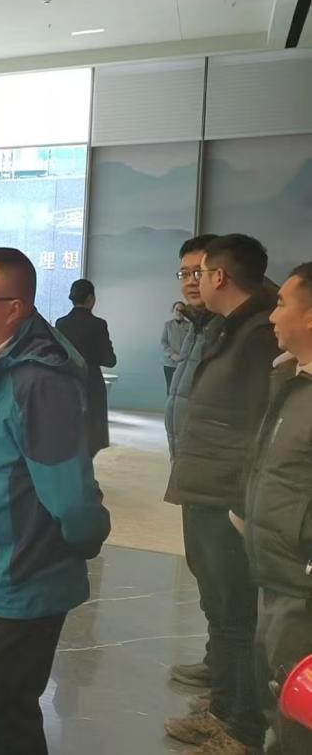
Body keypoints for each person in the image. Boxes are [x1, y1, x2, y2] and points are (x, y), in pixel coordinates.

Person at [0, 247, 110, 755]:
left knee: (6, 721)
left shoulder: (39, 381)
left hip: (19, 582)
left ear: (14, 309)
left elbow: (73, 499)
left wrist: (81, 542)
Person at [164, 234, 279, 754]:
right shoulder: (223, 327)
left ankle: (239, 726)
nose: (192, 282)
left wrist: (239, 502)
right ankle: (223, 704)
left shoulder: (255, 335)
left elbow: (258, 427)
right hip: (203, 482)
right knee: (219, 604)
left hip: (225, 493)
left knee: (236, 613)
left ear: (219, 276)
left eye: (199, 272)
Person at [243, 262, 312, 755]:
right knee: (280, 697)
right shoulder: (293, 380)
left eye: (283, 303)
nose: (272, 315)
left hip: (301, 583)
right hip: (276, 570)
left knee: (299, 711)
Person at [164, 234, 220, 691]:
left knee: (227, 581)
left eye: (198, 272)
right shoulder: (199, 326)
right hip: (192, 468)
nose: (190, 281)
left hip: (218, 479)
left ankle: (232, 693)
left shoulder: (233, 330)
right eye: (184, 273)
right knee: (207, 573)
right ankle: (220, 663)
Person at [55, 278, 117, 456]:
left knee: (68, 432)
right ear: (90, 298)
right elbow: (110, 360)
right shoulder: (99, 324)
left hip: (66, 382)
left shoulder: (61, 323)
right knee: (92, 435)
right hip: (91, 383)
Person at [162, 300, 190, 390]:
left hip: (185, 363)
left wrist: (184, 357)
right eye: (177, 309)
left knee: (183, 390)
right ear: (173, 310)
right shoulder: (168, 325)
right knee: (171, 388)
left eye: (182, 310)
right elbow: (163, 342)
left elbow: (192, 343)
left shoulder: (190, 326)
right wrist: (172, 354)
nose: (179, 312)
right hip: (170, 363)